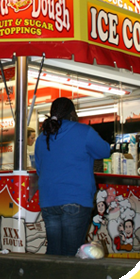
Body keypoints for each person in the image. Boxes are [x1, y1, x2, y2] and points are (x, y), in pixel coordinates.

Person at [35, 97, 110, 256]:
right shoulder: (83, 131)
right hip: (75, 199)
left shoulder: (42, 137)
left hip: (49, 201)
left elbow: (40, 169)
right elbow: (105, 151)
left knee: (54, 251)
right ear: (72, 113)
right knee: (72, 253)